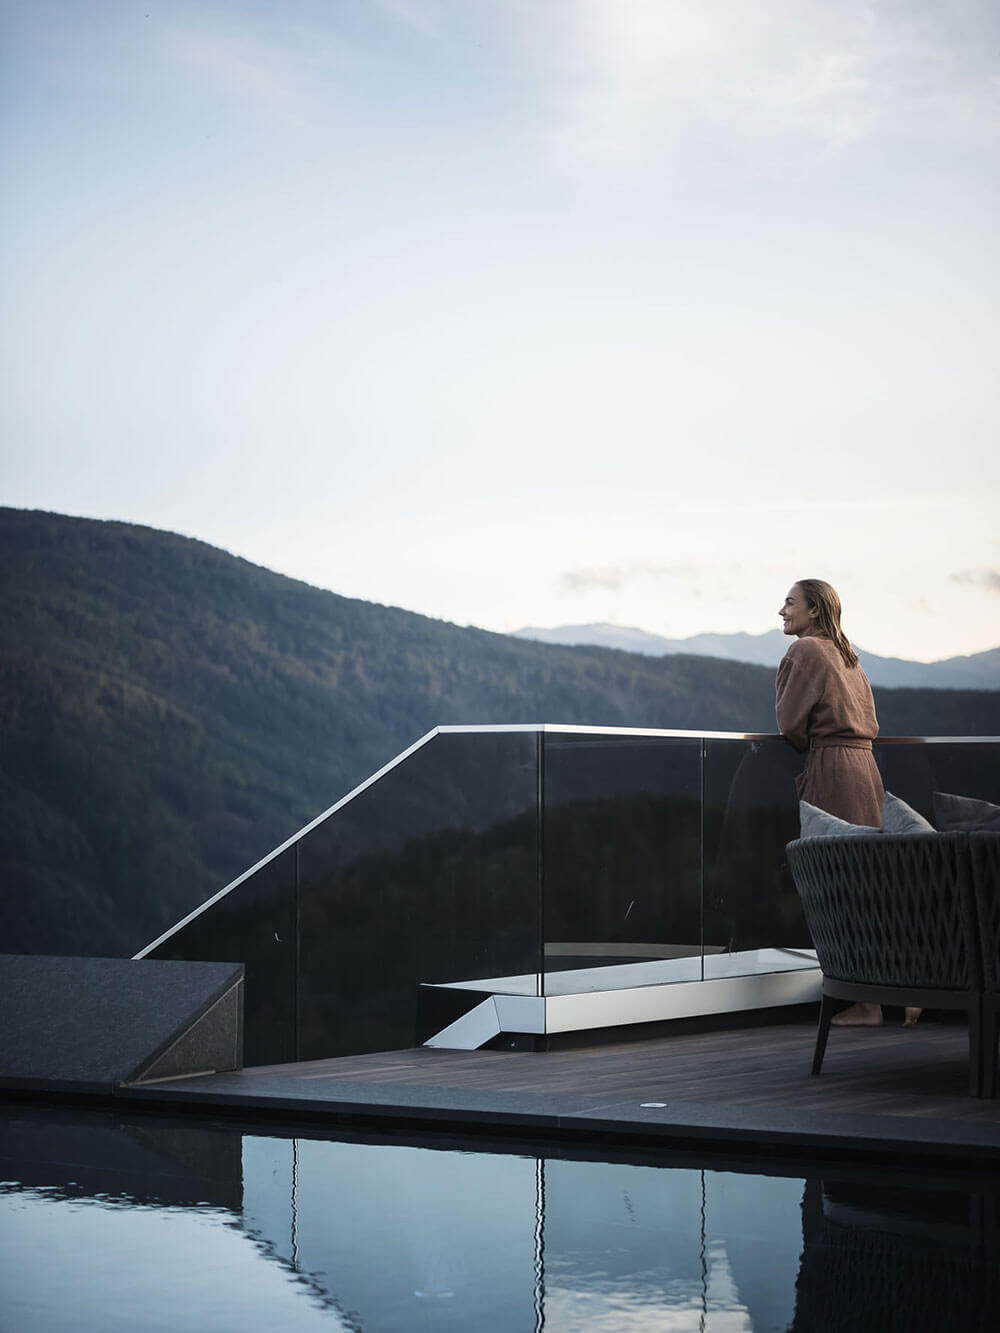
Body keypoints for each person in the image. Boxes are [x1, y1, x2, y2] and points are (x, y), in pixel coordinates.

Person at [775, 579, 919, 1028]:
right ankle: (908, 987)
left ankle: (867, 1004)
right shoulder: (848, 655)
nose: (781, 611)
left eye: (790, 602)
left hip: (834, 769)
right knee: (872, 883)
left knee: (839, 883)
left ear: (814, 610)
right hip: (865, 770)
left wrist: (810, 747)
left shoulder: (805, 652)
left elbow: (790, 724)